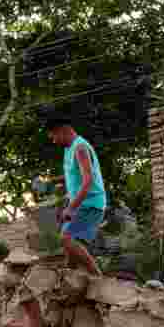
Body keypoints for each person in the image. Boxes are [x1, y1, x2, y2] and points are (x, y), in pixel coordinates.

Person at [45, 116, 106, 276]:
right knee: (67, 241)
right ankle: (69, 274)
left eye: (53, 137)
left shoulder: (80, 148)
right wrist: (51, 181)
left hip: (91, 204)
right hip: (82, 204)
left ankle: (97, 276)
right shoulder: (69, 148)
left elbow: (87, 181)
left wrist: (71, 209)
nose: (53, 141)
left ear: (62, 131)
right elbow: (74, 175)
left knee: (66, 239)